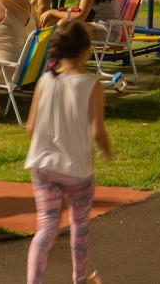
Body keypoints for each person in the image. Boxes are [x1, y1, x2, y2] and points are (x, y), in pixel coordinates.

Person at [25, 21, 111, 284]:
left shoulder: (45, 81)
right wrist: (109, 152)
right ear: (85, 51)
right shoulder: (91, 85)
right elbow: (97, 131)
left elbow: (30, 127)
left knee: (46, 228)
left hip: (43, 167)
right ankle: (80, 279)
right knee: (80, 225)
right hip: (77, 170)